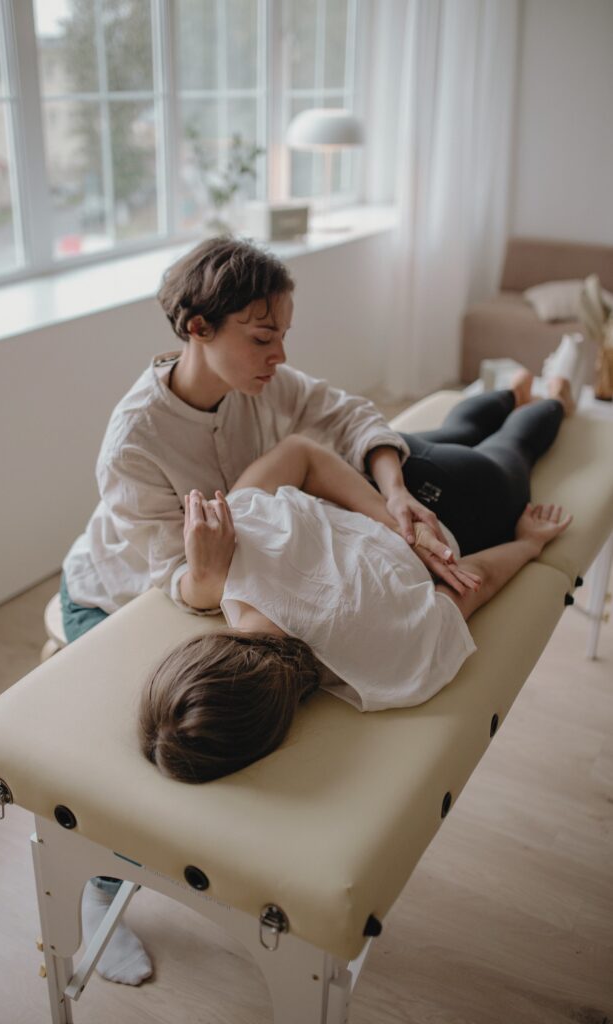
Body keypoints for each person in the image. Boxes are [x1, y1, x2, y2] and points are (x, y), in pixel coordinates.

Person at [61, 236, 449, 985]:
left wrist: (394, 491)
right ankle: (99, 889)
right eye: (263, 336)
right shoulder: (135, 440)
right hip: (115, 594)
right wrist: (207, 578)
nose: (279, 354)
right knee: (163, 739)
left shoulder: (262, 382)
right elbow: (172, 579)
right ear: (197, 328)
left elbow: (349, 415)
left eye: (283, 336)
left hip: (214, 582)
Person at [139, 374, 574, 786]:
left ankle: (555, 398)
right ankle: (515, 392)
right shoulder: (233, 542)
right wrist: (394, 512)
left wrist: (528, 544)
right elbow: (300, 453)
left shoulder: (391, 675)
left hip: (468, 505)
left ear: (267, 724)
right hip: (388, 476)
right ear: (200, 648)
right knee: (460, 429)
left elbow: (472, 580)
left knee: (515, 446)